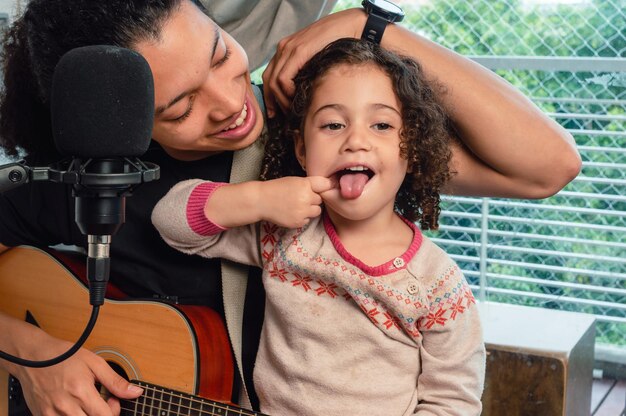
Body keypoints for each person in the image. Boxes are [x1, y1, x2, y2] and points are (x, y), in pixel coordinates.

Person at [0, 0, 580, 415]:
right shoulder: (84, 181)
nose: (232, 102)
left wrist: (370, 26)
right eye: (180, 109)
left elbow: (548, 166)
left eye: (220, 53)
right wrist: (29, 353)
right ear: (115, 119)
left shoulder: (316, 139)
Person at [152, 38, 485, 415]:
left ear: (411, 147)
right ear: (302, 150)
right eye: (332, 124)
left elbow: (453, 402)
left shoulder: (437, 285)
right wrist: (258, 199)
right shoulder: (284, 236)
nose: (356, 141)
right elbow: (169, 220)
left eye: (381, 125)